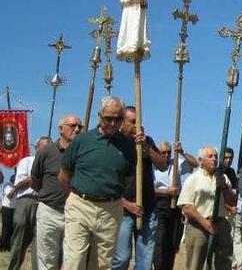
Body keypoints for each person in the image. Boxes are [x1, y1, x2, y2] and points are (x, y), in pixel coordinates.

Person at [60, 96, 138, 270]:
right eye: (108, 118)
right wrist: (76, 196)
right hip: (80, 205)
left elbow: (127, 179)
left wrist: (110, 196)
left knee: (102, 264)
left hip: (110, 210)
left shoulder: (128, 146)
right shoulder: (82, 141)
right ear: (99, 116)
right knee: (75, 260)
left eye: (117, 119)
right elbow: (63, 175)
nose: (112, 123)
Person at [112, 106, 168, 270]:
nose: (136, 126)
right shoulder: (115, 142)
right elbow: (107, 179)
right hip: (123, 209)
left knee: (144, 262)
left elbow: (163, 165)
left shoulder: (147, 141)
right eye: (132, 122)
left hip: (147, 209)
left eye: (139, 122)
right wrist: (126, 203)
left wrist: (146, 148)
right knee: (121, 258)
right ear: (122, 122)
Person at [31, 115, 82, 269]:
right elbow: (35, 181)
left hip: (76, 212)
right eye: (73, 126)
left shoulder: (84, 153)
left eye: (80, 126)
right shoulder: (46, 152)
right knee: (47, 260)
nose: (77, 129)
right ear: (61, 129)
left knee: (73, 260)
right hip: (49, 212)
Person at [177, 145, 237, 270]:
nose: (214, 159)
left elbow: (232, 202)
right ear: (201, 161)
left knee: (225, 262)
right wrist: (204, 222)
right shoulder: (193, 179)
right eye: (210, 156)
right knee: (195, 264)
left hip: (221, 223)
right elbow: (186, 206)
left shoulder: (223, 178)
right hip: (198, 225)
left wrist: (225, 187)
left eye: (215, 156)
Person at [153, 141, 198, 270]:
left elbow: (195, 164)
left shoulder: (176, 162)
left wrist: (182, 152)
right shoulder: (153, 166)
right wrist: (165, 191)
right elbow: (149, 189)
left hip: (175, 204)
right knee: (161, 240)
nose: (166, 155)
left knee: (173, 242)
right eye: (163, 152)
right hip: (160, 203)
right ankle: (158, 266)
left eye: (169, 152)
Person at [7, 136, 51, 270]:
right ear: (37, 148)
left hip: (43, 203)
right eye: (44, 147)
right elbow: (22, 183)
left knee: (40, 242)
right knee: (19, 238)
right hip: (26, 201)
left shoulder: (51, 163)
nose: (47, 150)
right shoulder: (27, 161)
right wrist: (38, 175)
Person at [222, 148, 242, 270]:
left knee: (235, 237)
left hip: (232, 209)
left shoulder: (231, 172)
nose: (228, 160)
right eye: (226, 157)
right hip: (222, 210)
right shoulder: (218, 171)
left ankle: (238, 264)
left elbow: (234, 192)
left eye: (230, 158)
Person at [1, 179, 15, 251]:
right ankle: (3, 245)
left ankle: (9, 246)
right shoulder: (8, 185)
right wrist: (16, 188)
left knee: (12, 228)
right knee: (6, 227)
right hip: (7, 208)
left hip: (14, 208)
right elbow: (9, 195)